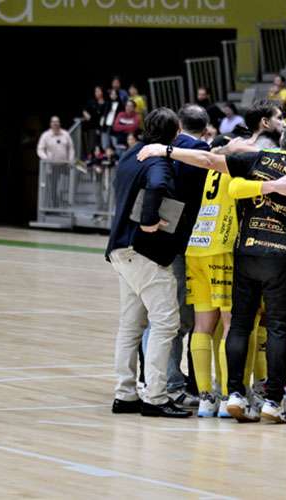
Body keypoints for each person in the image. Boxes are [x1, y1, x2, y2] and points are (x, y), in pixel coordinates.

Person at [137, 120, 286, 423]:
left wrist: (165, 150)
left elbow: (208, 159)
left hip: (246, 254)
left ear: (282, 140)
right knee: (278, 330)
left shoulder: (256, 159)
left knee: (239, 326)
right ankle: (273, 400)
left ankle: (234, 394)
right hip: (283, 257)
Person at [106, 108, 197, 418]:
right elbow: (157, 185)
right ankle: (156, 397)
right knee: (166, 323)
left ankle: (125, 394)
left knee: (130, 326)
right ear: (174, 134)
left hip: (120, 250)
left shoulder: (131, 153)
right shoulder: (159, 160)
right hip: (143, 252)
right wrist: (149, 221)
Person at [82, 86, 107, 157]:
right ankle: (90, 157)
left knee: (100, 144)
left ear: (102, 92)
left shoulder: (106, 103)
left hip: (102, 127)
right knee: (91, 144)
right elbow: (84, 109)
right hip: (91, 127)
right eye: (95, 91)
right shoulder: (91, 102)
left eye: (98, 91)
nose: (97, 93)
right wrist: (86, 114)